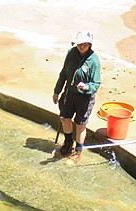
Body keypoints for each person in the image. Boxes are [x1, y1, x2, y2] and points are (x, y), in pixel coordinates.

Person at [52, 31, 101, 163]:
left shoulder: (94, 61)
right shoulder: (71, 53)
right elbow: (63, 74)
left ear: (89, 44)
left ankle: (78, 151)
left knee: (80, 124)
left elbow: (96, 83)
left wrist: (87, 87)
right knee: (64, 118)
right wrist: (57, 91)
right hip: (69, 93)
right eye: (79, 44)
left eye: (84, 44)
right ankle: (68, 143)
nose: (81, 46)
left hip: (84, 98)